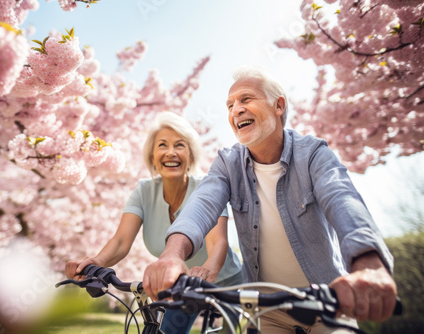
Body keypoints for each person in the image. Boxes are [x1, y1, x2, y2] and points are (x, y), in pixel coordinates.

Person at [142, 66, 398, 333]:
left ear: (278, 106)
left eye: (246, 99)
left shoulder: (313, 154)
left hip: (327, 304)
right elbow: (202, 205)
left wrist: (368, 262)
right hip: (267, 311)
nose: (235, 110)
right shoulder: (227, 163)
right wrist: (172, 255)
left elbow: (342, 198)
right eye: (229, 105)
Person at [65, 111, 242, 334]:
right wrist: (96, 262)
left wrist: (208, 270)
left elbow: (218, 242)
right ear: (152, 157)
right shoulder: (143, 191)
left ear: (191, 156)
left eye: (180, 145)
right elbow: (121, 241)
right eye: (162, 145)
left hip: (228, 280)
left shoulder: (206, 188)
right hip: (183, 284)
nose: (171, 152)